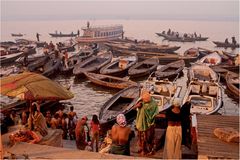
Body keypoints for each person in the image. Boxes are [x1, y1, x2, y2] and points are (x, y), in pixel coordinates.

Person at [133, 90, 158, 156]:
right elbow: (156, 113)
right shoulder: (154, 103)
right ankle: (147, 149)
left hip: (143, 124)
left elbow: (133, 108)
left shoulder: (141, 104)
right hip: (150, 124)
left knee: (143, 137)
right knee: (149, 137)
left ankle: (144, 150)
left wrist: (137, 105)